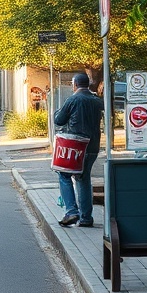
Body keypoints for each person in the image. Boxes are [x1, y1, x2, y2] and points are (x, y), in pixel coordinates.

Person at [53, 73, 103, 227]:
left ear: (74, 84)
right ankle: (86, 218)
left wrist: (57, 112)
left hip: (75, 146)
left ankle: (71, 211)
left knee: (64, 174)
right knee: (83, 178)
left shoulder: (73, 99)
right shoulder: (97, 101)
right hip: (93, 145)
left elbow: (59, 120)